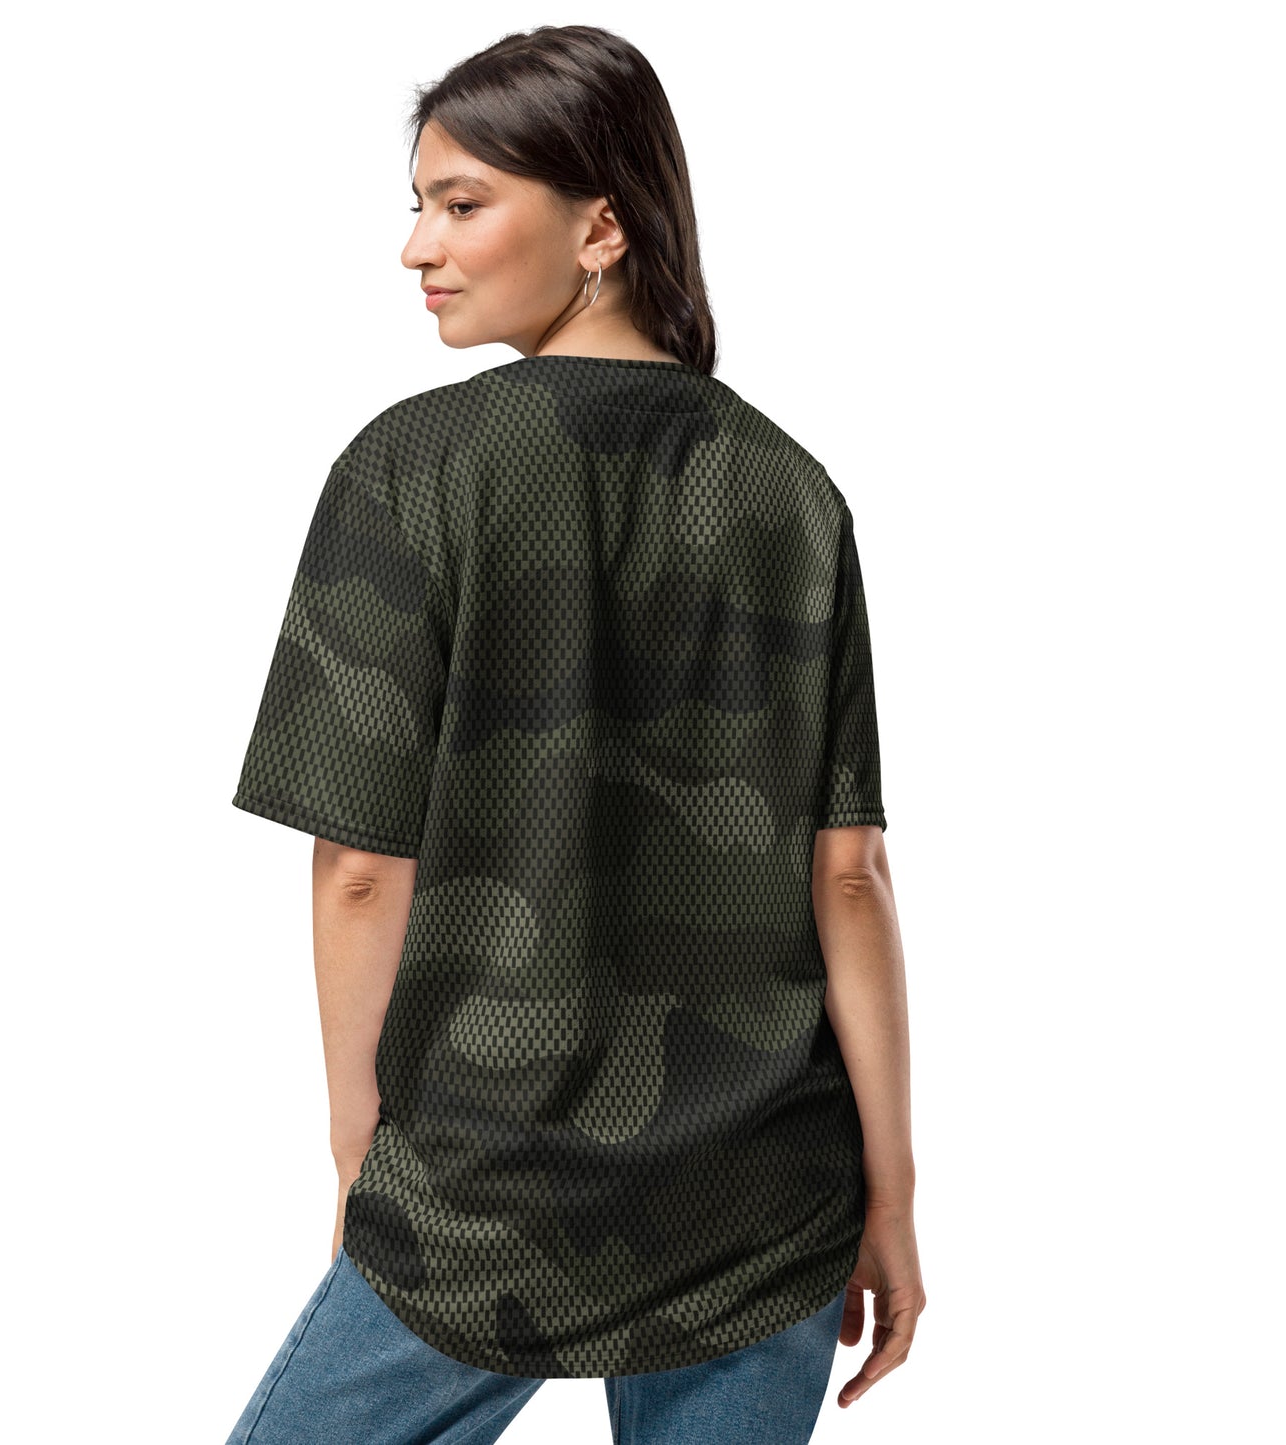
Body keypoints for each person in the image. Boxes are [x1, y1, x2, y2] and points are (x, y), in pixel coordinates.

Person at [224, 23, 924, 1445]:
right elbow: (847, 873)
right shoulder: (791, 492)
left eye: (461, 203)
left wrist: (360, 1151)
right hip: (763, 1199)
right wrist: (892, 1195)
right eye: (418, 205)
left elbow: (359, 869)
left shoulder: (415, 470)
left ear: (601, 227)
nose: (417, 248)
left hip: (487, 1189)